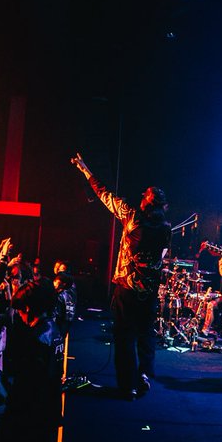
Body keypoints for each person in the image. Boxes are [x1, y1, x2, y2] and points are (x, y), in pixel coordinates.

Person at [70, 153, 170, 400]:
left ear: (145, 202)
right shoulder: (166, 229)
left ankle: (128, 386)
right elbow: (162, 256)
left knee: (124, 338)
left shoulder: (132, 217)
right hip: (149, 291)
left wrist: (85, 170)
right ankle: (145, 374)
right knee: (146, 333)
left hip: (127, 289)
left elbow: (104, 195)